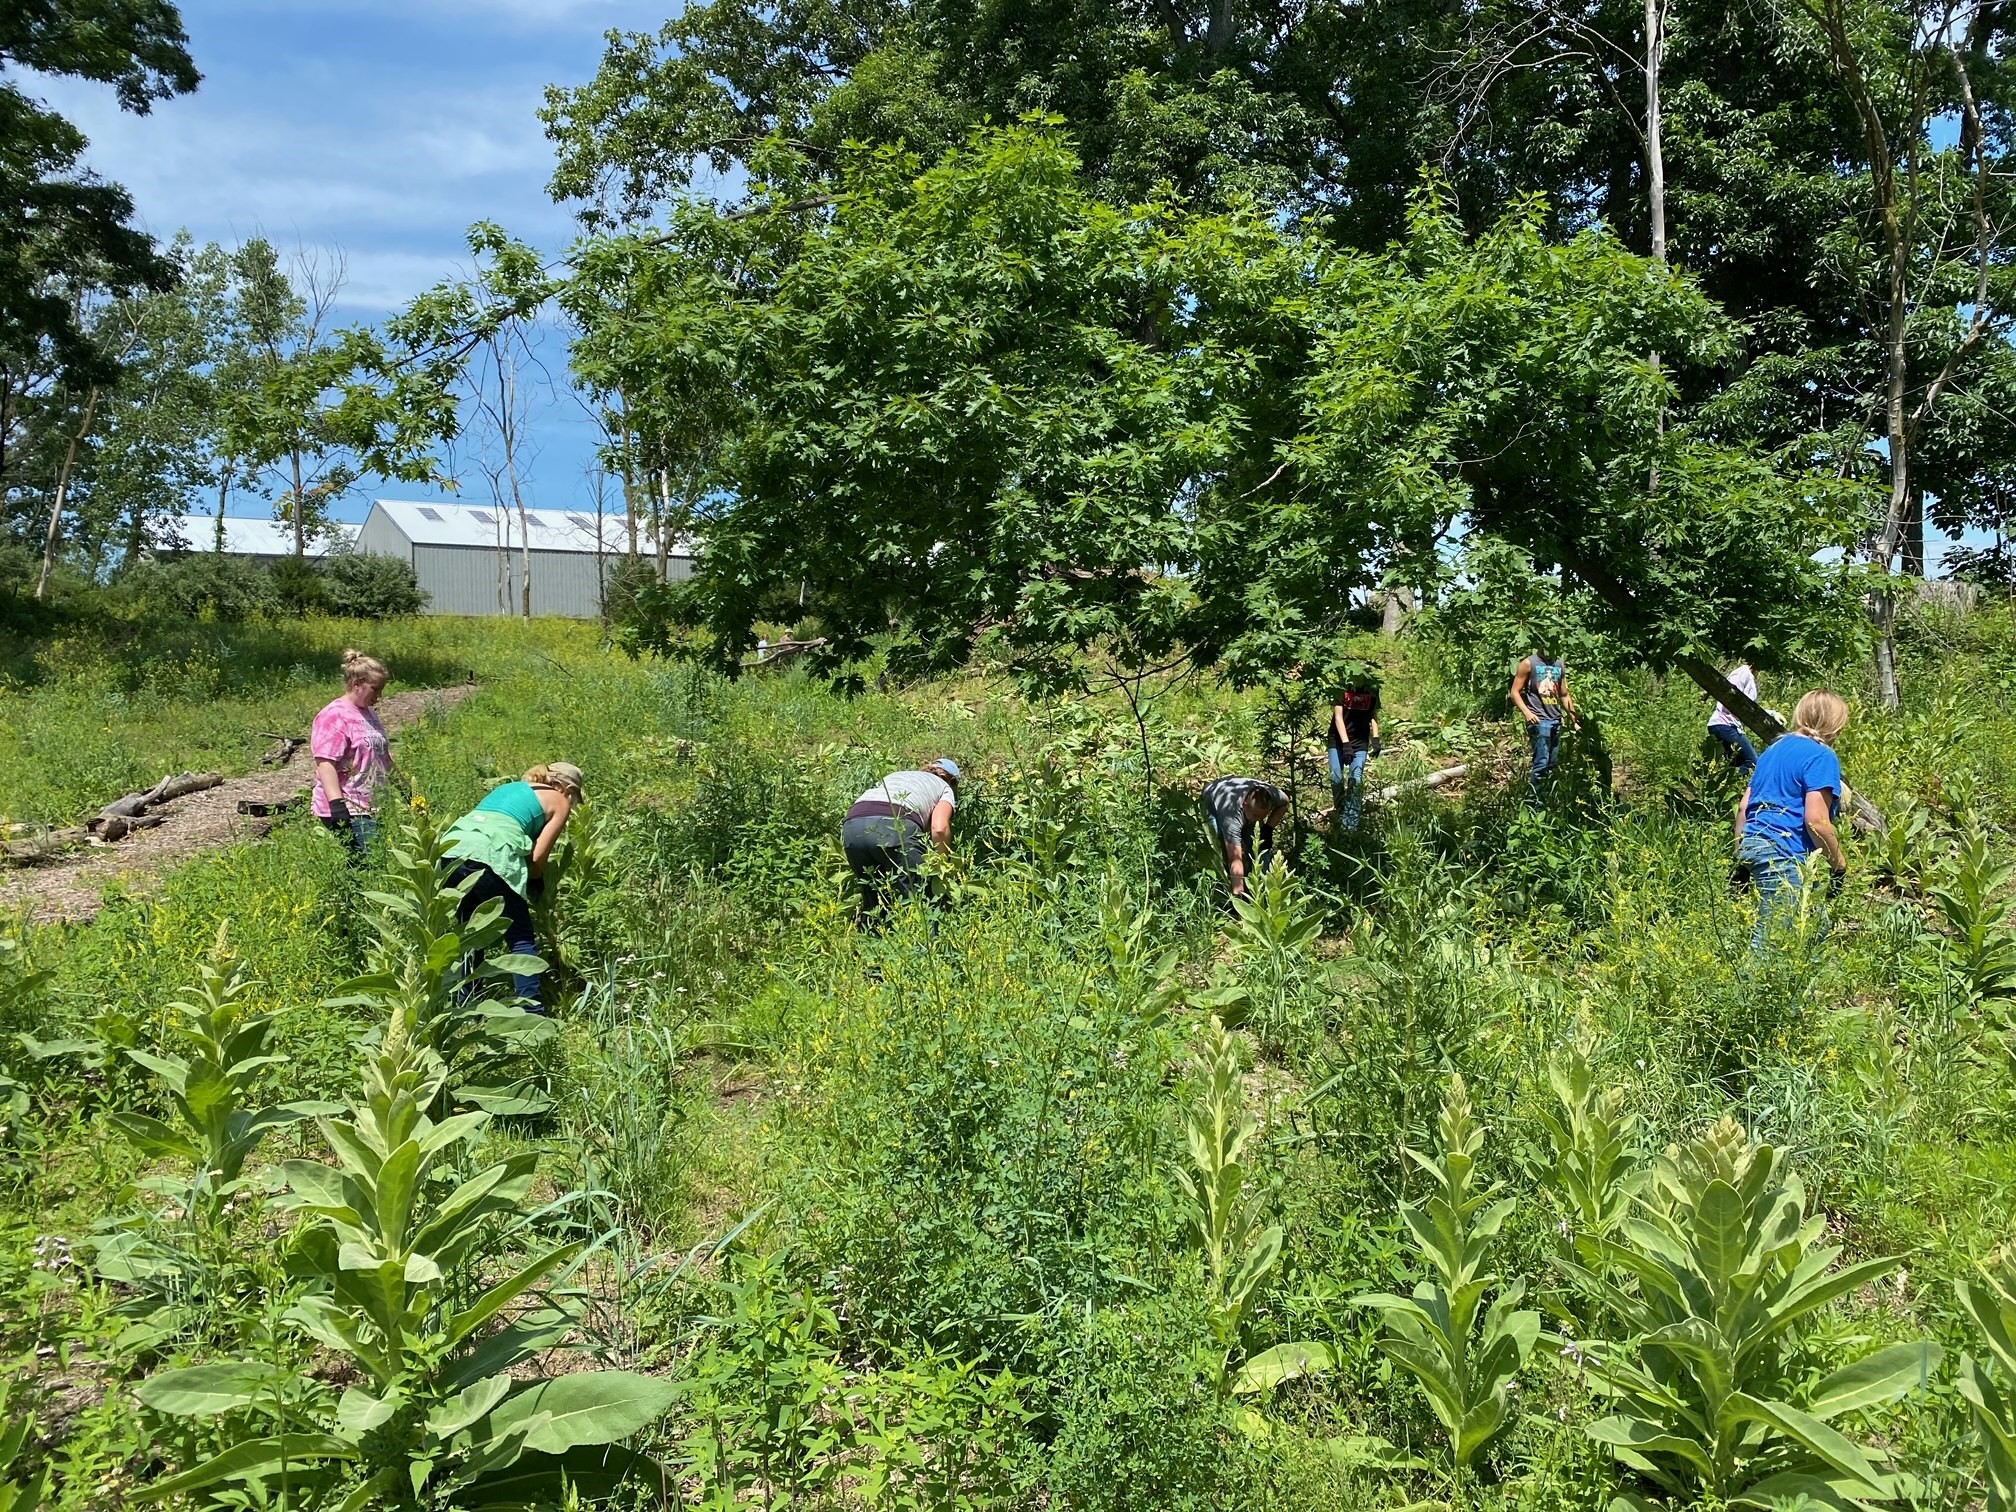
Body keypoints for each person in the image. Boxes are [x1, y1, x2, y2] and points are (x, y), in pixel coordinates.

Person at [440, 763, 584, 1012]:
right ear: (566, 788)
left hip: (451, 850)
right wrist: (537, 885)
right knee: (521, 939)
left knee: (471, 933)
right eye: (574, 798)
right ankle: (532, 1013)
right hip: (490, 855)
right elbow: (538, 859)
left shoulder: (511, 787)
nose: (571, 804)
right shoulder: (558, 801)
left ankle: (466, 1007)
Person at [1734, 691, 1849, 949]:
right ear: (1834, 724)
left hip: (1755, 842)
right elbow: (1816, 820)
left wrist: (1740, 857)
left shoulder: (1772, 751)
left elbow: (1744, 808)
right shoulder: (1821, 756)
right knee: (1771, 939)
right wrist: (1839, 865)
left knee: (1815, 929)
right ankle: (1749, 987)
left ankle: (1813, 987)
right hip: (1784, 853)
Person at [842, 759, 961, 923]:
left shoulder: (896, 776)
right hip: (895, 822)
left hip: (853, 824)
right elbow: (940, 829)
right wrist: (940, 866)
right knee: (918, 899)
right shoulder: (944, 787)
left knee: (875, 901)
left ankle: (867, 943)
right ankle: (929, 946)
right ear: (953, 781)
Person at [311, 650, 393, 855]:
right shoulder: (334, 715)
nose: (379, 696)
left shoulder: (369, 714)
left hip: (373, 805)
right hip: (350, 807)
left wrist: (409, 791)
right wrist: (337, 806)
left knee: (375, 862)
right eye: (375, 689)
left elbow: (382, 756)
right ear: (357, 684)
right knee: (368, 865)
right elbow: (325, 763)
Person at [1201, 776, 1291, 899]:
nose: (1259, 820)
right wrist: (1239, 900)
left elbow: (1285, 802)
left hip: (1238, 790)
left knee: (1260, 846)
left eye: (1263, 816)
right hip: (1212, 800)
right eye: (1256, 815)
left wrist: (1268, 829)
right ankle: (1224, 891)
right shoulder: (1231, 817)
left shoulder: (1273, 795)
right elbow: (1235, 858)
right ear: (1245, 805)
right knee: (1222, 849)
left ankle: (1267, 890)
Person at [1509, 648, 1579, 798]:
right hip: (1540, 721)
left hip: (1555, 719)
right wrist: (1528, 713)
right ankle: (1534, 804)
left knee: (1552, 764)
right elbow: (1515, 692)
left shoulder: (1558, 664)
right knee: (1541, 764)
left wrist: (1575, 719)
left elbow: (1564, 694)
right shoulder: (1529, 663)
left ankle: (1548, 801)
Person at [1329, 674, 1382, 832]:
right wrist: (1345, 744)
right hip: (1337, 740)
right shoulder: (1342, 685)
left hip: (1360, 741)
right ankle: (1340, 810)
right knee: (1336, 778)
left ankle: (1350, 825)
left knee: (1356, 780)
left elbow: (1373, 715)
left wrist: (1376, 738)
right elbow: (1338, 717)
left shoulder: (1372, 687)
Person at [1707, 661, 1761, 771]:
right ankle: (1724, 782)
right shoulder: (1744, 674)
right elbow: (1731, 697)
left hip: (1724, 725)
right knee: (1752, 763)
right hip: (1726, 724)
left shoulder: (1744, 674)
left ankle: (1727, 784)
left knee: (1736, 763)